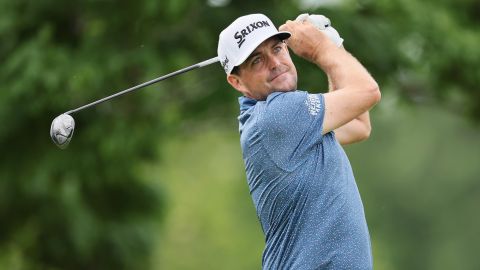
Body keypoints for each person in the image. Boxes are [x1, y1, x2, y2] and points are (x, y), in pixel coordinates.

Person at [217, 13, 381, 269]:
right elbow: (368, 92)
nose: (275, 63)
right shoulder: (277, 116)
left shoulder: (290, 120)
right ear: (237, 82)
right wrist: (321, 49)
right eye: (257, 60)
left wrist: (332, 43)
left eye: (278, 48)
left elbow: (358, 125)